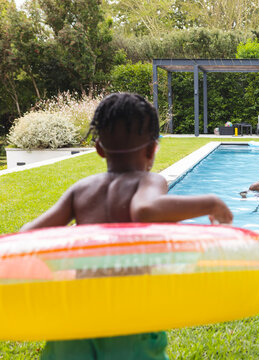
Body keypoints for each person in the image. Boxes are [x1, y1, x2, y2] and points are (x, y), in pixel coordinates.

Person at [20, 93, 233, 360]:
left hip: (74, 318)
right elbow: (145, 210)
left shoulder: (81, 189)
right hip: (128, 317)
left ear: (98, 148)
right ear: (152, 149)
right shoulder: (148, 181)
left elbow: (28, 234)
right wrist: (211, 203)